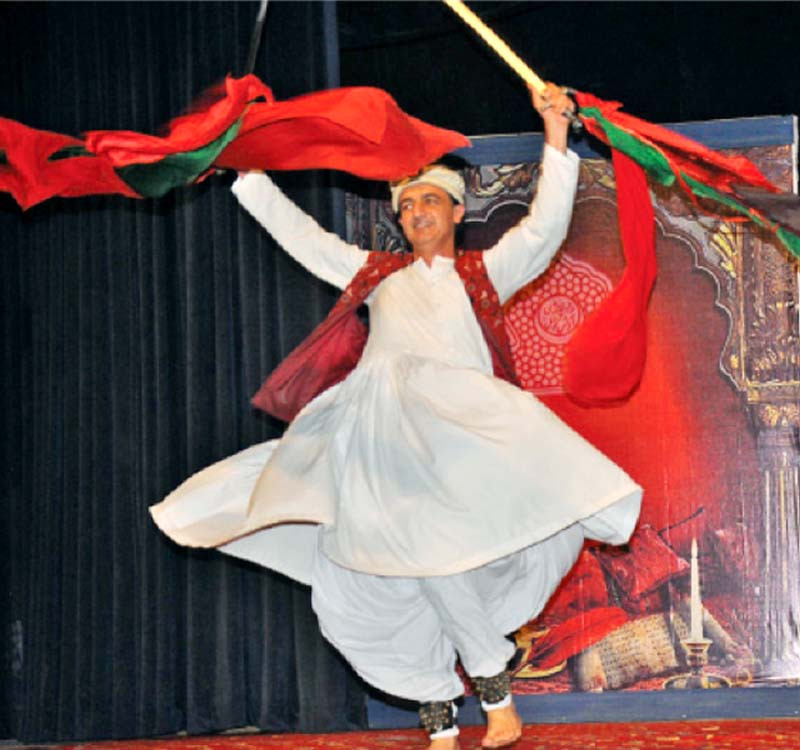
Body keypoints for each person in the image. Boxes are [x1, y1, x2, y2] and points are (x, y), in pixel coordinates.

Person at [151, 83, 642, 750]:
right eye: (406, 205)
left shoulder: (483, 273)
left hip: (460, 438)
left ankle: (471, 696)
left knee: (441, 560)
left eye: (428, 200)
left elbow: (546, 227)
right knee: (374, 574)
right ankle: (454, 698)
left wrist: (556, 137)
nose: (415, 212)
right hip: (379, 437)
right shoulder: (376, 275)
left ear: (456, 210)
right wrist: (248, 174)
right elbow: (303, 240)